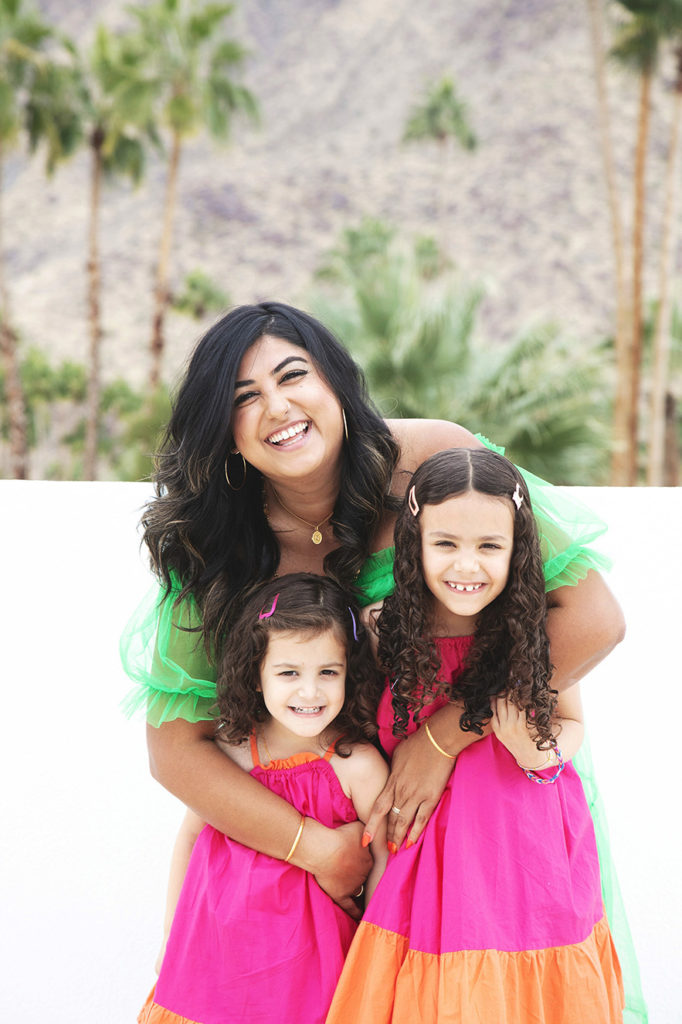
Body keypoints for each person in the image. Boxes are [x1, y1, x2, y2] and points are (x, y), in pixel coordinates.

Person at [121, 302, 644, 1017]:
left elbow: (592, 620)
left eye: (292, 375)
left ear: (335, 380)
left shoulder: (436, 463)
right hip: (306, 867)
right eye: (244, 399)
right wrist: (320, 851)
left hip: (485, 826)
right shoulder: (215, 542)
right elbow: (176, 751)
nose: (278, 407)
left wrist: (443, 735)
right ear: (225, 434)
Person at [327, 447, 624, 1022]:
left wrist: (537, 749)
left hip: (526, 864)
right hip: (422, 881)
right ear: (414, 544)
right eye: (446, 544)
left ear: (518, 549)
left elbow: (572, 725)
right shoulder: (380, 630)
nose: (467, 567)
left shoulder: (530, 632)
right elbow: (358, 735)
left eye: (490, 546)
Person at [139, 573, 389, 1024]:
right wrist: (169, 936)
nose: (310, 692)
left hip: (313, 975)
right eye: (289, 672)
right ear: (256, 675)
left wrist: (379, 956)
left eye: (328, 672)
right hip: (213, 962)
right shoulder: (231, 754)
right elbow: (191, 838)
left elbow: (385, 867)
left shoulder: (358, 766)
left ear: (350, 674)